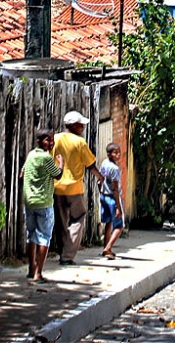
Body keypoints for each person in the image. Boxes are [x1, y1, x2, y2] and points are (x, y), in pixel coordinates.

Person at [52, 110, 104, 265]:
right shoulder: (80, 142)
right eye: (80, 125)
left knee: (61, 221)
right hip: (74, 188)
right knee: (78, 218)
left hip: (57, 187)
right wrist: (100, 177)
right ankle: (67, 256)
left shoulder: (55, 139)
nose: (82, 127)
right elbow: (90, 165)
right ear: (74, 126)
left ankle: (63, 252)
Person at [22, 130, 64, 282]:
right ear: (39, 141)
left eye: (52, 140)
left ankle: (31, 268)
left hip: (29, 201)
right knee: (44, 237)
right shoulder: (46, 158)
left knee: (31, 235)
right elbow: (58, 175)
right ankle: (38, 273)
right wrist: (61, 163)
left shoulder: (31, 155)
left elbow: (22, 174)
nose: (51, 142)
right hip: (44, 203)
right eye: (48, 140)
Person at [99, 143, 124, 260]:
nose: (118, 155)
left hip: (104, 196)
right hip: (112, 198)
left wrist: (101, 190)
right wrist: (118, 207)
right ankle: (108, 248)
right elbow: (115, 188)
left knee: (109, 222)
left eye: (119, 152)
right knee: (119, 226)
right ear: (109, 154)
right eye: (115, 152)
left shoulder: (104, 163)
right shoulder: (115, 169)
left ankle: (106, 247)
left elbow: (100, 179)